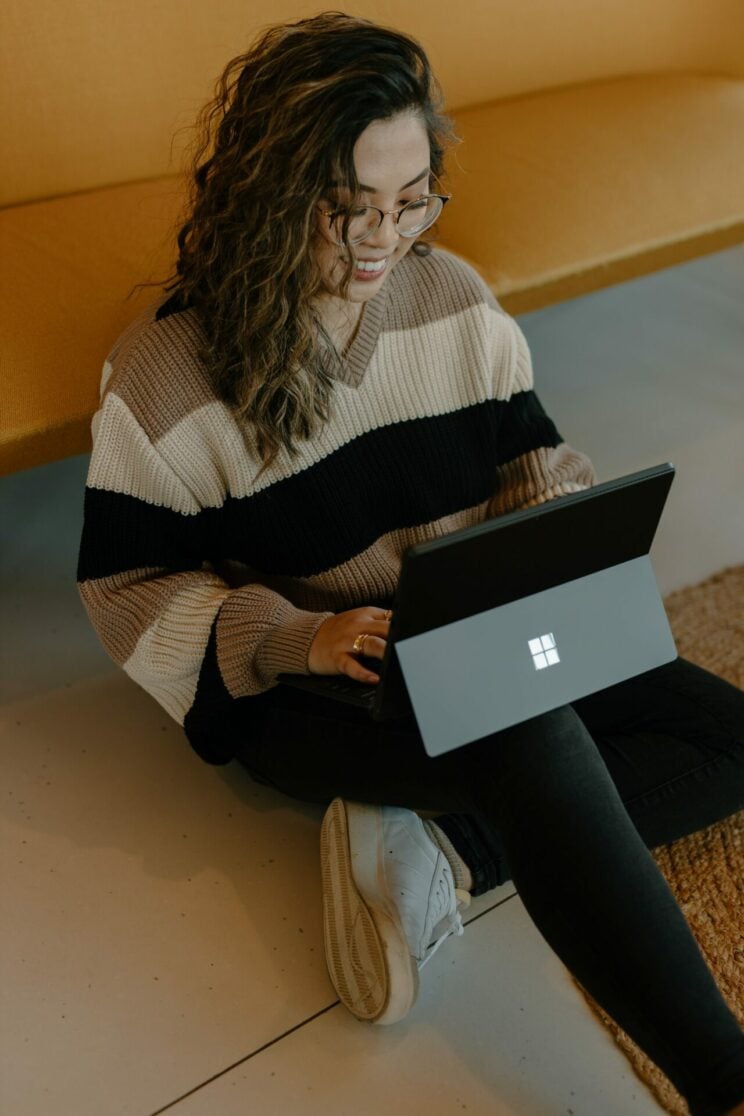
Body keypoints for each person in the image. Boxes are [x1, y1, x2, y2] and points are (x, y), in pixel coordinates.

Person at [76, 12, 744, 1114]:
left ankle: (450, 846)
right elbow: (126, 592)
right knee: (536, 733)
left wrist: (552, 522)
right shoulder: (166, 374)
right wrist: (297, 637)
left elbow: (529, 449)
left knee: (721, 739)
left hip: (474, 629)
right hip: (322, 683)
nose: (383, 242)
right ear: (269, 192)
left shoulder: (456, 300)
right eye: (348, 213)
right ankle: (721, 1080)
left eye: (411, 200)